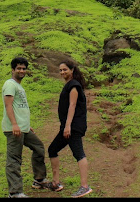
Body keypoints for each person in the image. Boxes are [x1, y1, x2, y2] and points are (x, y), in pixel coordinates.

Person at [2, 56, 53, 198]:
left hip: (23, 128)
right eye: (18, 68)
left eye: (24, 68)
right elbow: (8, 105)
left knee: (38, 148)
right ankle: (15, 192)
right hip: (14, 129)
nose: (21, 71)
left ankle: (39, 180)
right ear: (13, 70)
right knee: (14, 159)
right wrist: (14, 124)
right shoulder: (10, 84)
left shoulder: (18, 86)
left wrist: (26, 125)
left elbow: (20, 108)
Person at [47, 61, 93, 198]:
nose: (62, 73)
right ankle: (56, 182)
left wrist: (67, 126)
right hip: (68, 126)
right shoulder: (70, 85)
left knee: (79, 153)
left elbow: (72, 105)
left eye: (65, 70)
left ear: (72, 70)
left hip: (72, 127)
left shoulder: (74, 85)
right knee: (52, 149)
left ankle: (85, 187)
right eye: (60, 70)